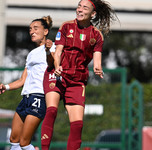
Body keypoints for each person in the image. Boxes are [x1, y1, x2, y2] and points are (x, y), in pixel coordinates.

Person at [41, 0, 118, 150]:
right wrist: (57, 66)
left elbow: (97, 60)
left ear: (93, 14)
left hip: (77, 81)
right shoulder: (66, 26)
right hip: (57, 75)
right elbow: (58, 51)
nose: (80, 10)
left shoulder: (97, 35)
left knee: (77, 125)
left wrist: (98, 68)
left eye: (84, 7)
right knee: (51, 111)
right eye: (79, 6)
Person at [0, 16, 55, 150]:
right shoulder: (31, 54)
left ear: (46, 31)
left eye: (36, 28)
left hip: (39, 97)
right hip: (26, 97)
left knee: (25, 143)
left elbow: (54, 64)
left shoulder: (53, 47)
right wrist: (5, 87)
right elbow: (22, 80)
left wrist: (49, 51)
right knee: (14, 139)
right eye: (30, 29)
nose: (32, 31)